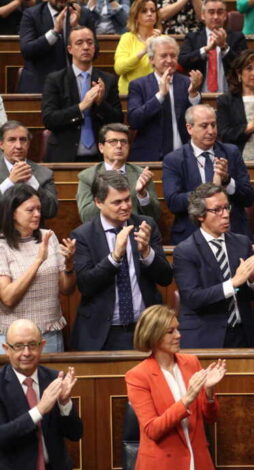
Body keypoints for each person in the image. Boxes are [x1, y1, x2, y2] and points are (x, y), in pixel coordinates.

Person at [70, 170, 172, 351]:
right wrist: (114, 257)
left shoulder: (145, 225)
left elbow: (165, 278)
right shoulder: (83, 235)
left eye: (127, 199)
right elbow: (86, 285)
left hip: (145, 329)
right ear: (98, 202)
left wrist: (147, 253)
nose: (125, 206)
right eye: (117, 202)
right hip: (102, 333)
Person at [125, 305, 226, 470]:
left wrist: (209, 392)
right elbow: (153, 429)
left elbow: (211, 418)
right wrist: (187, 399)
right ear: (153, 335)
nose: (178, 335)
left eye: (177, 329)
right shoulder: (137, 376)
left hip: (199, 463)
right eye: (170, 331)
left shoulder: (191, 362)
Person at [172, 183, 254, 349]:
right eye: (217, 210)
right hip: (205, 336)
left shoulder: (242, 243)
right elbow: (192, 298)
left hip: (243, 335)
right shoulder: (185, 251)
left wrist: (253, 280)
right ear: (200, 215)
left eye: (226, 207)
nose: (225, 215)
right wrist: (234, 283)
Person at [0, 319, 81, 470]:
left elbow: (75, 433)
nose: (26, 353)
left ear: (42, 345)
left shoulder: (54, 378)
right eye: (18, 346)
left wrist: (65, 404)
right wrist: (39, 410)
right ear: (6, 349)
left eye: (32, 345)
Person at [164, 104, 254, 245]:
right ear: (189, 128)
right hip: (192, 236)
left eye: (213, 125)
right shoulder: (174, 160)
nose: (211, 131)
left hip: (232, 234)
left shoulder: (231, 153)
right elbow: (174, 202)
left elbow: (248, 197)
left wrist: (227, 181)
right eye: (204, 126)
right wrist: (208, 191)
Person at [0, 185, 74, 352]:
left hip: (49, 336)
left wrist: (69, 265)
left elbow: (67, 289)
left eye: (39, 209)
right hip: (13, 340)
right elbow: (8, 298)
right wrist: (38, 260)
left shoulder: (49, 236)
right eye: (30, 210)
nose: (37, 214)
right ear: (12, 213)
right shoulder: (2, 245)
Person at [41, 25, 124, 162]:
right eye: (79, 43)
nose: (86, 47)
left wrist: (100, 103)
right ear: (70, 49)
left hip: (100, 158)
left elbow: (118, 120)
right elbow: (49, 119)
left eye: (90, 42)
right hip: (64, 156)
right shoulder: (55, 79)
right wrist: (81, 107)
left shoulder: (108, 80)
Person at [17, 0, 96, 93]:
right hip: (41, 85)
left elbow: (95, 52)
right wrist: (54, 33)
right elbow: (27, 51)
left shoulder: (83, 15)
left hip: (74, 87)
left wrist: (77, 29)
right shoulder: (32, 15)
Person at [127, 35, 204, 161]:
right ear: (152, 59)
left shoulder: (187, 82)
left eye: (173, 56)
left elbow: (200, 119)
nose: (169, 60)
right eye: (163, 56)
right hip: (150, 158)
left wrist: (193, 94)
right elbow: (134, 120)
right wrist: (160, 96)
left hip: (184, 156)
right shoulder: (138, 85)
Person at [77, 124, 161, 224]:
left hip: (136, 233)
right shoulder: (87, 177)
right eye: (113, 141)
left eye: (123, 141)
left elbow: (155, 216)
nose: (119, 146)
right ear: (101, 147)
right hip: (103, 235)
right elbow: (86, 216)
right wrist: (106, 184)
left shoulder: (141, 174)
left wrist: (142, 195)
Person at [177, 0, 248, 95]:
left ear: (225, 16)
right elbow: (182, 61)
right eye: (211, 12)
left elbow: (244, 65)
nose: (215, 17)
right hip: (199, 95)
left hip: (230, 96)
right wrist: (205, 50)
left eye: (220, 12)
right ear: (203, 15)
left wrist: (224, 47)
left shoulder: (237, 37)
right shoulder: (193, 38)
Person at [0, 121, 56, 219]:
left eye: (23, 140)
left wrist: (32, 181)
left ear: (28, 144)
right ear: (1, 144)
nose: (18, 146)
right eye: (12, 140)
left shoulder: (44, 173)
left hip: (33, 233)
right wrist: (9, 182)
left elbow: (50, 211)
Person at [114, 0, 160, 95]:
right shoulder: (127, 38)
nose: (149, 14)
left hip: (157, 92)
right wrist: (144, 50)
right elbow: (119, 68)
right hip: (130, 93)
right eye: (144, 11)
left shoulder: (162, 39)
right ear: (136, 17)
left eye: (153, 11)